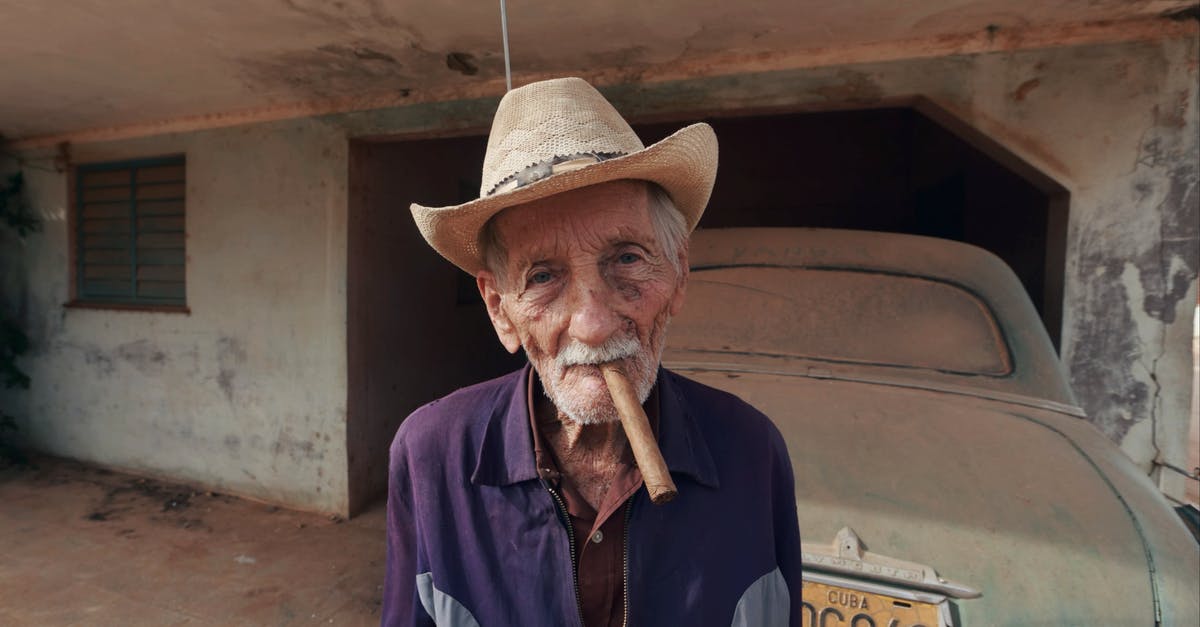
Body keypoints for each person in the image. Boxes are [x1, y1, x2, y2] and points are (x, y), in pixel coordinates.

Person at [383, 77, 802, 626]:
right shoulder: (430, 454)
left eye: (627, 259)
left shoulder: (752, 451)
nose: (595, 324)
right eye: (542, 276)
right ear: (498, 309)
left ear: (677, 275)